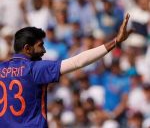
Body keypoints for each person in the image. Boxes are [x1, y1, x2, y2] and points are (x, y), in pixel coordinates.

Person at [0, 14, 131, 128]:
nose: (44, 51)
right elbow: (78, 61)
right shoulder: (34, 69)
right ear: (27, 48)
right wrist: (115, 41)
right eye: (40, 46)